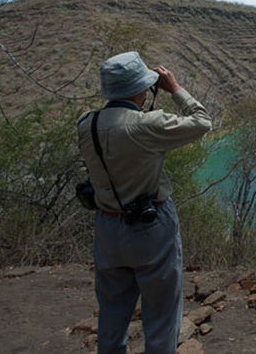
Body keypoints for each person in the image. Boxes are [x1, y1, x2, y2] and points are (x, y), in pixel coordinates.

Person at [77, 51, 213, 354]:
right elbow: (202, 122)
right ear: (141, 88)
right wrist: (174, 88)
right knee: (162, 314)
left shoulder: (86, 124)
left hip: (107, 227)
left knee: (112, 311)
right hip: (151, 226)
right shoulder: (147, 125)